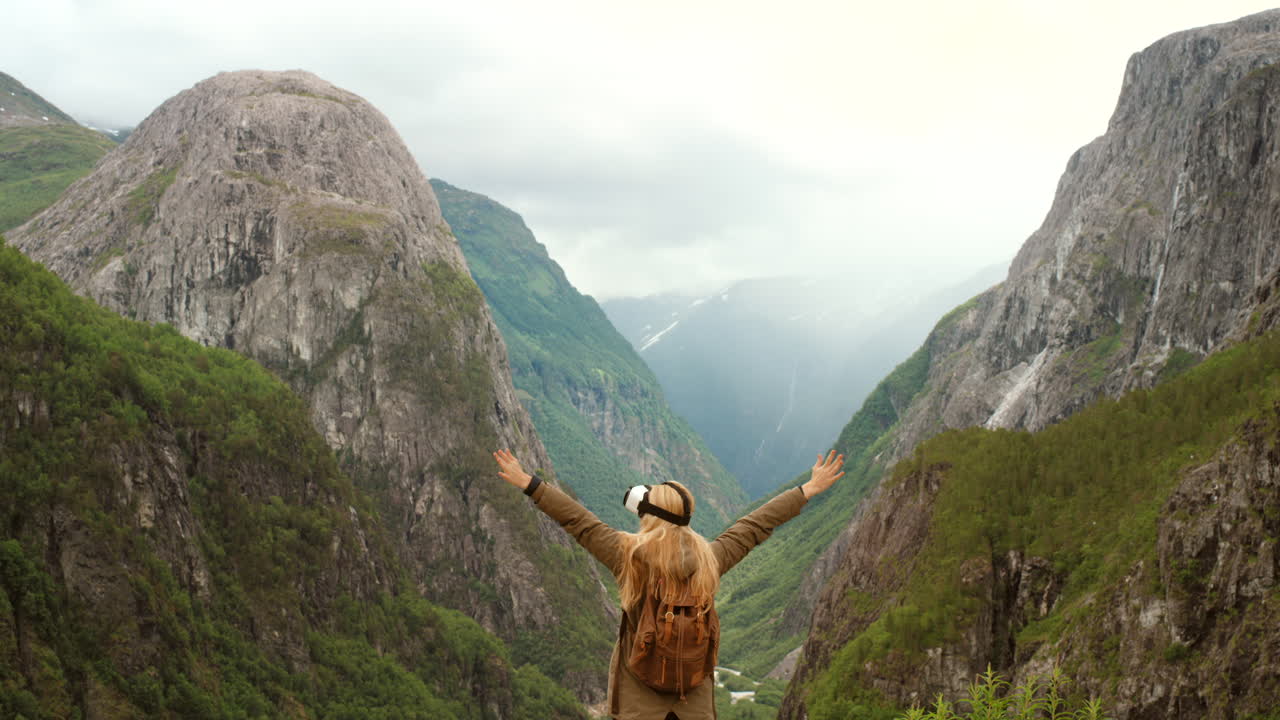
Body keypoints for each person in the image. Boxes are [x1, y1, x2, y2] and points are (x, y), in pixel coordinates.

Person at [492, 448, 846, 720]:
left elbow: (578, 521)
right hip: (692, 698)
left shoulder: (627, 556)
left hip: (639, 700)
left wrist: (531, 484)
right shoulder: (711, 558)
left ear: (648, 516)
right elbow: (753, 527)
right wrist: (807, 489)